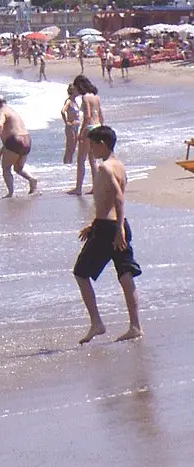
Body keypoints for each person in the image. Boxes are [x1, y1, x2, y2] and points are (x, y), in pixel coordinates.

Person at [73, 124, 142, 344]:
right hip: (112, 226)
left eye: (93, 145)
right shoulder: (119, 165)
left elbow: (119, 198)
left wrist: (117, 229)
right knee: (125, 274)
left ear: (102, 144)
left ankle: (97, 323)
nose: (91, 149)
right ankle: (135, 326)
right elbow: (107, 202)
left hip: (110, 230)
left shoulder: (105, 168)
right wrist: (94, 225)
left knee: (80, 273)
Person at [0, 96, 37, 197]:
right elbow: (11, 136)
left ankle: (10, 193)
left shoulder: (1, 112)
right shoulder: (13, 111)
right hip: (27, 140)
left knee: (6, 168)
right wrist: (0, 153)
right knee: (18, 168)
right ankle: (32, 179)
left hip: (15, 141)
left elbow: (0, 126)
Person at [70, 75, 104, 195]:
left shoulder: (85, 98)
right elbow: (100, 115)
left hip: (89, 128)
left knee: (81, 159)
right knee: (93, 160)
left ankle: (78, 188)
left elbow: (87, 116)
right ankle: (96, 187)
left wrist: (82, 132)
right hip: (98, 127)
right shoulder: (96, 97)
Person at [61, 86, 80, 165]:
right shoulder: (68, 101)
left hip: (76, 126)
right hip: (71, 126)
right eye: (77, 90)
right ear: (73, 91)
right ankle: (66, 164)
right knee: (69, 147)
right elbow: (62, 111)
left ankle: (70, 164)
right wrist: (66, 122)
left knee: (73, 147)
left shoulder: (75, 101)